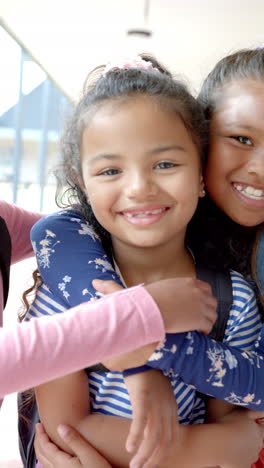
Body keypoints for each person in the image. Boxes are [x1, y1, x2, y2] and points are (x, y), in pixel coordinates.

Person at [26, 55, 264, 468]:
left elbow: (243, 415)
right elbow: (66, 432)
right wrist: (222, 447)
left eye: (166, 164)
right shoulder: (66, 290)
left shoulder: (232, 299)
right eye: (111, 170)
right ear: (82, 181)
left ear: (199, 174)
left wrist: (156, 347)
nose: (139, 188)